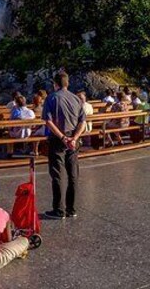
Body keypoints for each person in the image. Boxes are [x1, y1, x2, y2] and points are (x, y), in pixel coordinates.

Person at [42, 71, 86, 219]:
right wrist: (74, 138)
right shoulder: (76, 99)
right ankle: (71, 208)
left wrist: (62, 137)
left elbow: (48, 121)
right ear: (67, 83)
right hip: (73, 139)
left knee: (57, 175)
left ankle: (59, 210)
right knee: (73, 174)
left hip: (57, 139)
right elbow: (82, 122)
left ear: (55, 84)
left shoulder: (51, 98)